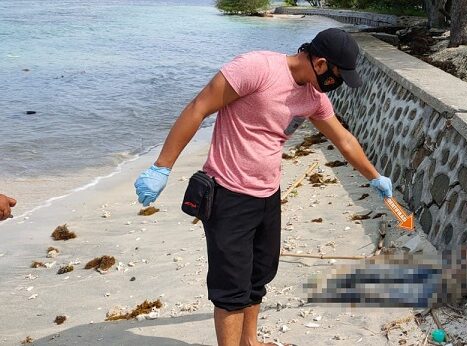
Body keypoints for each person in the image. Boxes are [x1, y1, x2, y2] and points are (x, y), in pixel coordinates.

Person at [134, 28, 392, 346]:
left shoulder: (313, 98)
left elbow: (343, 139)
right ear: (322, 64)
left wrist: (374, 176)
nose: (338, 85)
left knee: (258, 275)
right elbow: (198, 107)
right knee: (231, 288)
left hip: (268, 195)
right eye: (339, 76)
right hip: (228, 194)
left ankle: (249, 342)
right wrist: (162, 166)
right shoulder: (257, 68)